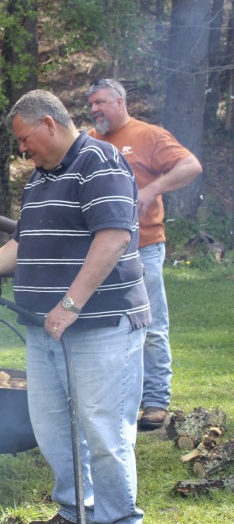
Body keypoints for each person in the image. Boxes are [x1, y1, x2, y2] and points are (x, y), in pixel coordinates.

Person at [0, 89, 151, 524]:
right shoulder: (40, 179)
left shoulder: (101, 162)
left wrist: (69, 305)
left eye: (24, 139)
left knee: (103, 428)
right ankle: (76, 513)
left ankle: (118, 523)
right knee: (52, 426)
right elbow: (23, 245)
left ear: (49, 124)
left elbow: (113, 239)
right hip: (43, 327)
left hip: (100, 325)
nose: (22, 149)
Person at [85, 78, 203, 431]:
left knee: (149, 323)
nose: (95, 109)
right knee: (102, 323)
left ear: (120, 102)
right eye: (91, 104)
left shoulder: (148, 135)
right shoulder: (90, 141)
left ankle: (155, 400)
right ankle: (112, 396)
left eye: (101, 102)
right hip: (100, 248)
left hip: (144, 246)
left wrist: (151, 190)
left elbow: (191, 166)